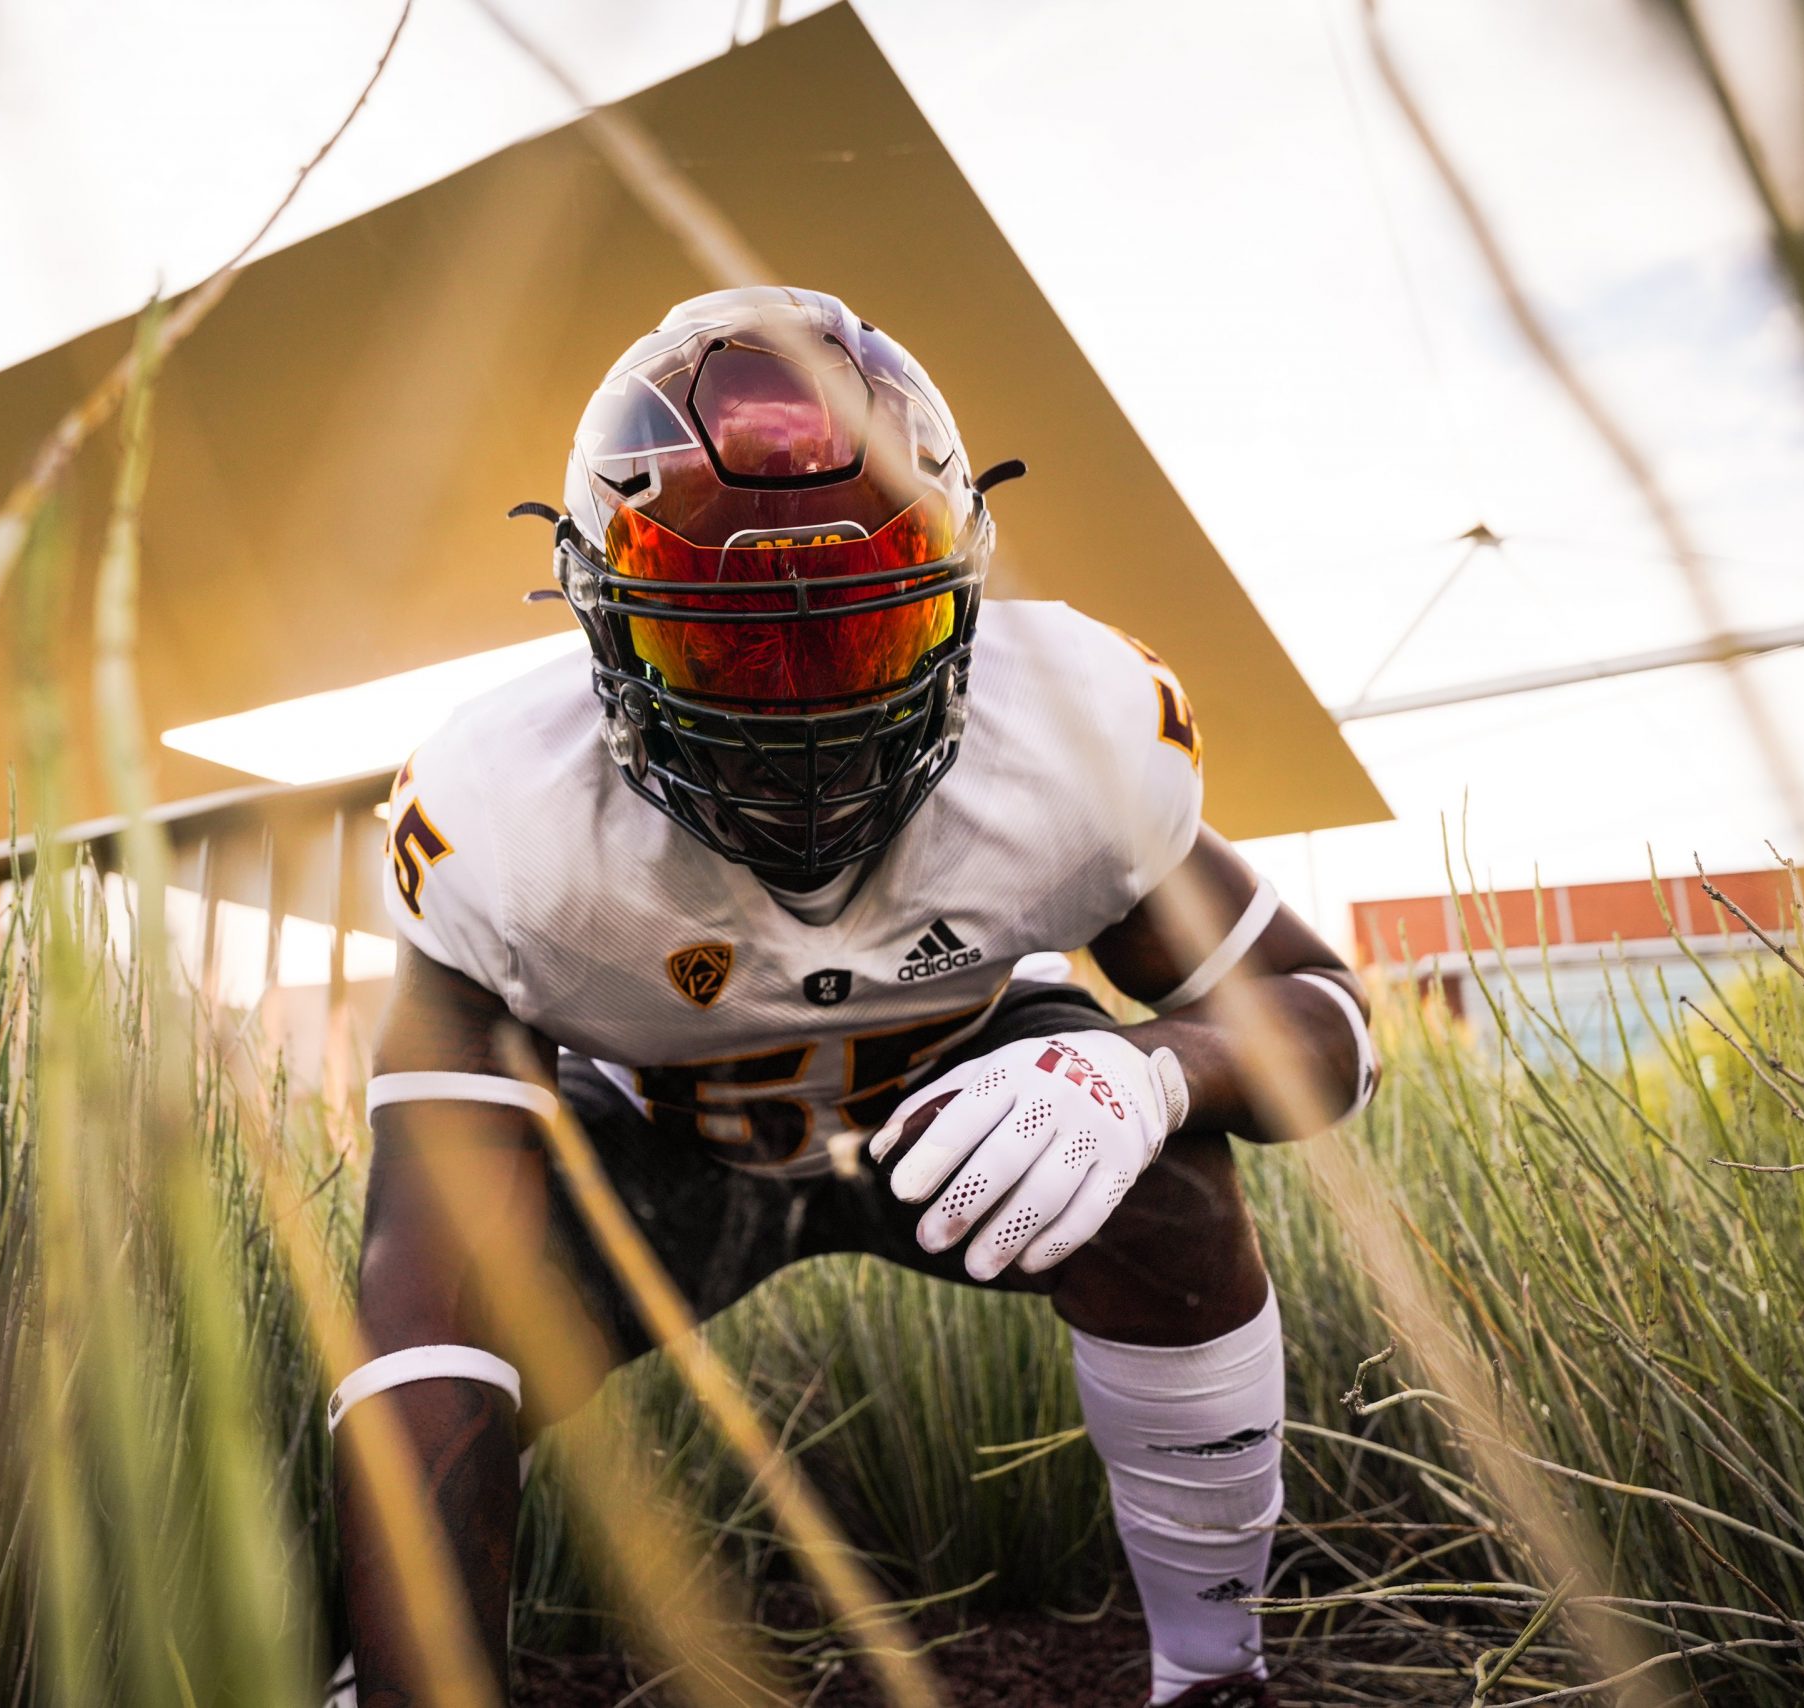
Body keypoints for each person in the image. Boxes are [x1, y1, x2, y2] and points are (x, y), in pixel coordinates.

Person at [329, 287, 1376, 1708]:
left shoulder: (1071, 739)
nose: (800, 718)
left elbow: (1327, 1018)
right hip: (667, 1153)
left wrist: (1150, 1074)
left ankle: (1211, 1675)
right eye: (728, 649)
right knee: (441, 1309)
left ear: (956, 601)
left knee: (1163, 1174)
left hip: (954, 1110)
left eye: (857, 641)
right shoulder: (505, 822)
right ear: (604, 624)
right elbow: (423, 1292)